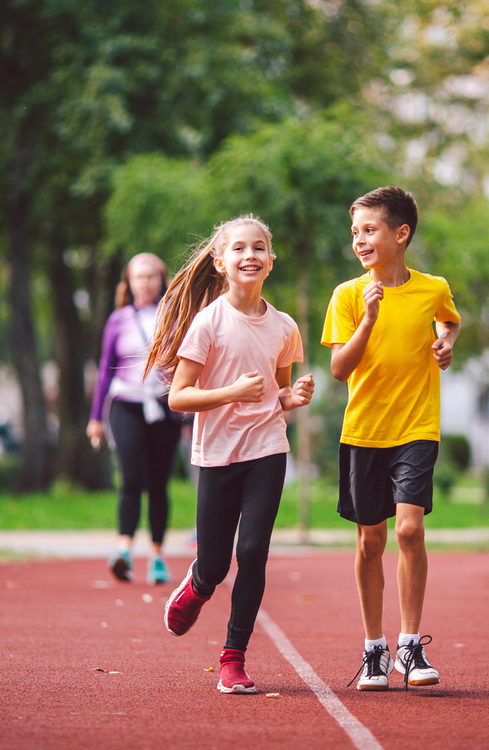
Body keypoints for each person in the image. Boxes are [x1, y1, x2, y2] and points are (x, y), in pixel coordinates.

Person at [152, 215, 314, 695]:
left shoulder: (285, 326)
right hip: (217, 454)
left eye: (260, 247)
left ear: (271, 260)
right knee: (217, 564)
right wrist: (231, 392)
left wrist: (293, 398)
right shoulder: (208, 322)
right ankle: (198, 584)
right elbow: (178, 397)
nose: (251, 255)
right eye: (240, 249)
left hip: (267, 448)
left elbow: (276, 395)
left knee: (253, 554)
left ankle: (232, 658)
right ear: (221, 263)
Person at [321, 186, 461, 691]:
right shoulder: (348, 295)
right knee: (371, 540)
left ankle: (409, 644)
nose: (359, 239)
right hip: (364, 430)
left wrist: (444, 344)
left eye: (370, 229)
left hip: (417, 427)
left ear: (400, 234)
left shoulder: (432, 287)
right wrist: (371, 320)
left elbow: (448, 320)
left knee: (408, 532)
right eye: (355, 231)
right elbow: (339, 368)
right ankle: (374, 649)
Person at [88, 253, 183, 585]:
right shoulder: (118, 319)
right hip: (126, 404)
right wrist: (95, 418)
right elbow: (103, 370)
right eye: (138, 278)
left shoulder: (175, 315)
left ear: (161, 280)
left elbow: (189, 361)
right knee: (130, 477)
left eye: (151, 277)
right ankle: (124, 551)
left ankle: (157, 556)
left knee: (158, 483)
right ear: (128, 284)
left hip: (164, 406)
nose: (145, 284)